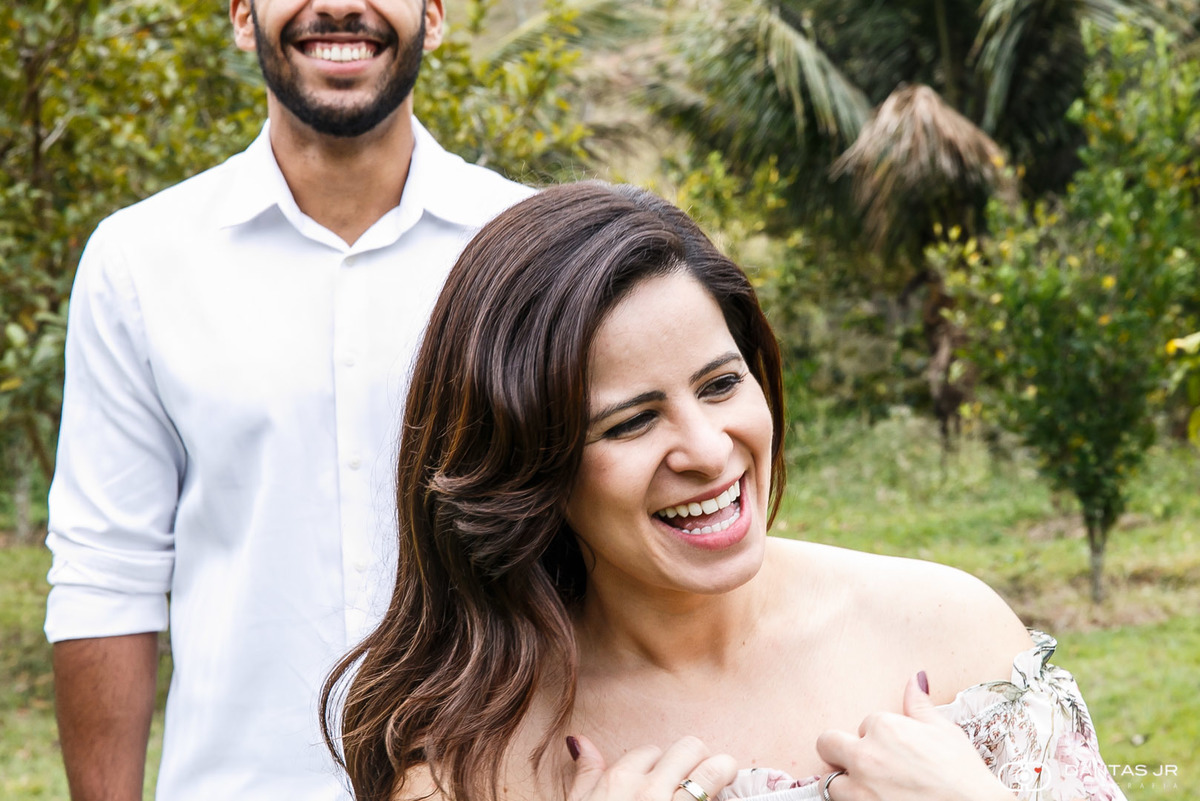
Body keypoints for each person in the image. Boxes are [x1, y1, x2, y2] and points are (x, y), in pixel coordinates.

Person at [321, 182, 1128, 801]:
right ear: (530, 467)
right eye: (632, 422)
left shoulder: (949, 631)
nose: (709, 451)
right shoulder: (474, 763)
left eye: (718, 384)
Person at [43, 0, 532, 798]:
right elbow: (106, 576)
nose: (339, 7)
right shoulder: (139, 262)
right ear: (243, 16)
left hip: (501, 782)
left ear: (434, 16)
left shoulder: (529, 245)